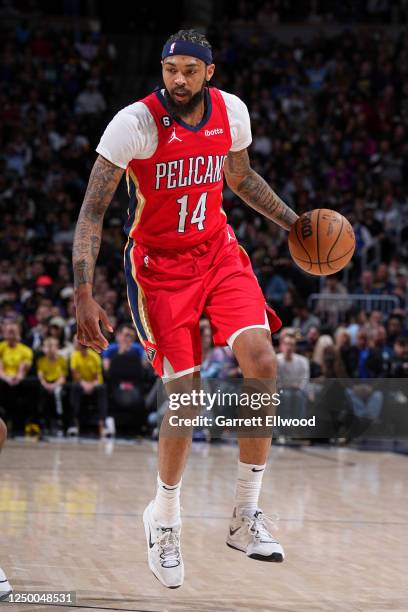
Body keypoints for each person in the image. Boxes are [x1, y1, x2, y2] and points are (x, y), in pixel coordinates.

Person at [73, 29, 300, 587]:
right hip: (158, 271)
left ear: (209, 73)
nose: (178, 79)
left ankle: (245, 516)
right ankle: (165, 517)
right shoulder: (135, 123)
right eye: (171, 69)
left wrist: (296, 225)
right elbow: (91, 212)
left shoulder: (232, 113)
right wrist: (83, 292)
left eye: (189, 71)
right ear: (162, 68)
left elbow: (240, 178)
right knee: (185, 395)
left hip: (218, 252)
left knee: (263, 364)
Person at [69, 335, 108, 437]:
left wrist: (90, 386)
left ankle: (102, 424)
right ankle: (74, 423)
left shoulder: (95, 357)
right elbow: (75, 376)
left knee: (101, 389)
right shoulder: (74, 356)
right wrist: (84, 384)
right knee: (75, 387)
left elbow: (97, 378)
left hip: (93, 384)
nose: (74, 344)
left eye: (75, 341)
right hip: (81, 383)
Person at [0, 321, 33, 433]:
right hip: (3, 379)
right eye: (9, 332)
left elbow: (24, 369)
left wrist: (18, 377)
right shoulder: (1, 347)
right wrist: (7, 378)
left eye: (14, 332)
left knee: (30, 386)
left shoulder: (26, 350)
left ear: (19, 333)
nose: (11, 334)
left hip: (19, 380)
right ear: (4, 333)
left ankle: (21, 425)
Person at [36, 337, 68, 434]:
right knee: (42, 394)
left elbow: (62, 377)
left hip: (57, 383)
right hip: (46, 383)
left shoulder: (62, 360)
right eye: (48, 346)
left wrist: (54, 385)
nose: (50, 349)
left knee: (59, 393)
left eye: (52, 346)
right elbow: (40, 376)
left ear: (57, 347)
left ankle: (59, 420)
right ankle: (44, 422)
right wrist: (46, 385)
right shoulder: (41, 360)